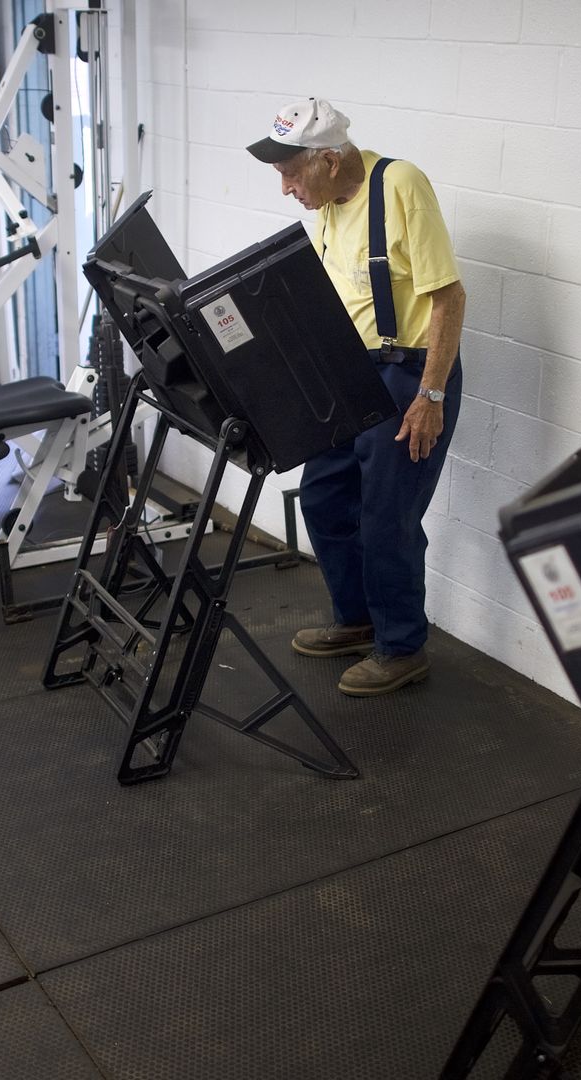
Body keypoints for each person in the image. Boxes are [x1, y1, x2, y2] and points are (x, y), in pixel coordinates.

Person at [246, 98, 466, 697]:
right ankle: (358, 618)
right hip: (349, 373)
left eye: (293, 173)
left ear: (330, 158)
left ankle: (401, 646)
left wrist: (432, 395)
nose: (287, 187)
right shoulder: (329, 206)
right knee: (322, 495)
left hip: (409, 376)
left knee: (386, 516)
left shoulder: (400, 185)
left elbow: (448, 297)